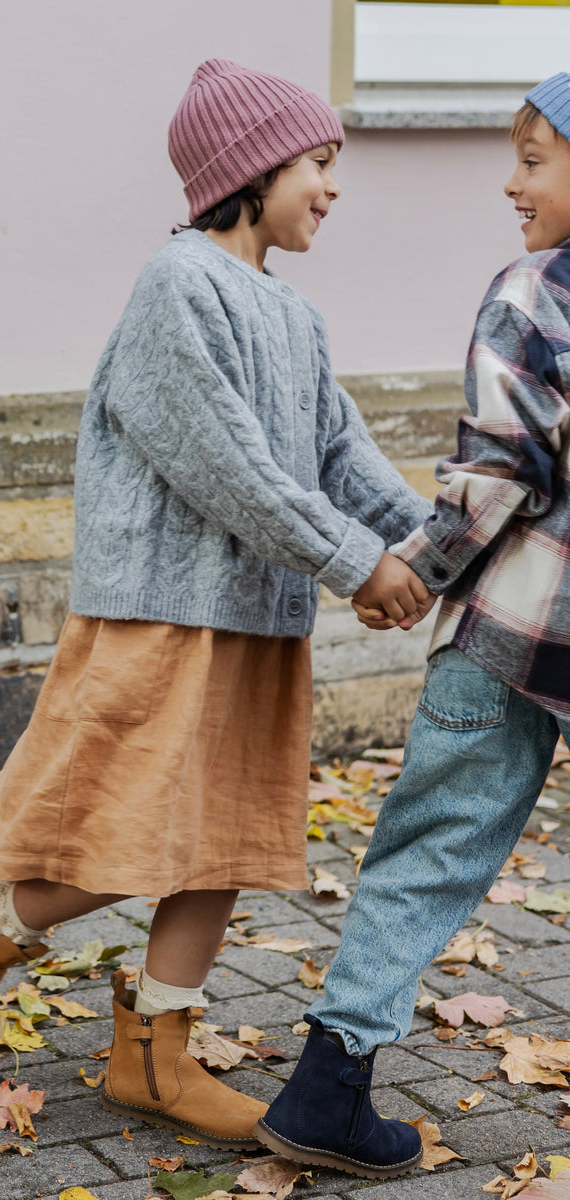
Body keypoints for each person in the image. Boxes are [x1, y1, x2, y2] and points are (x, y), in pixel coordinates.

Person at [0, 58, 431, 1152]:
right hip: (164, 614)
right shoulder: (176, 286)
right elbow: (227, 465)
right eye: (317, 165)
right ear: (249, 169)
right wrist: (354, 563)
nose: (332, 189)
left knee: (222, 843)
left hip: (256, 616)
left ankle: (155, 1054)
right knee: (133, 829)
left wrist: (435, 550)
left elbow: (343, 455)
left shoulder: (292, 314)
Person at [257, 71, 570, 1180]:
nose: (510, 181)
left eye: (534, 159)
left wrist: (415, 572)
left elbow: (500, 470)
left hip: (514, 633)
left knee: (430, 849)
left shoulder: (536, 292)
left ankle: (328, 1086)